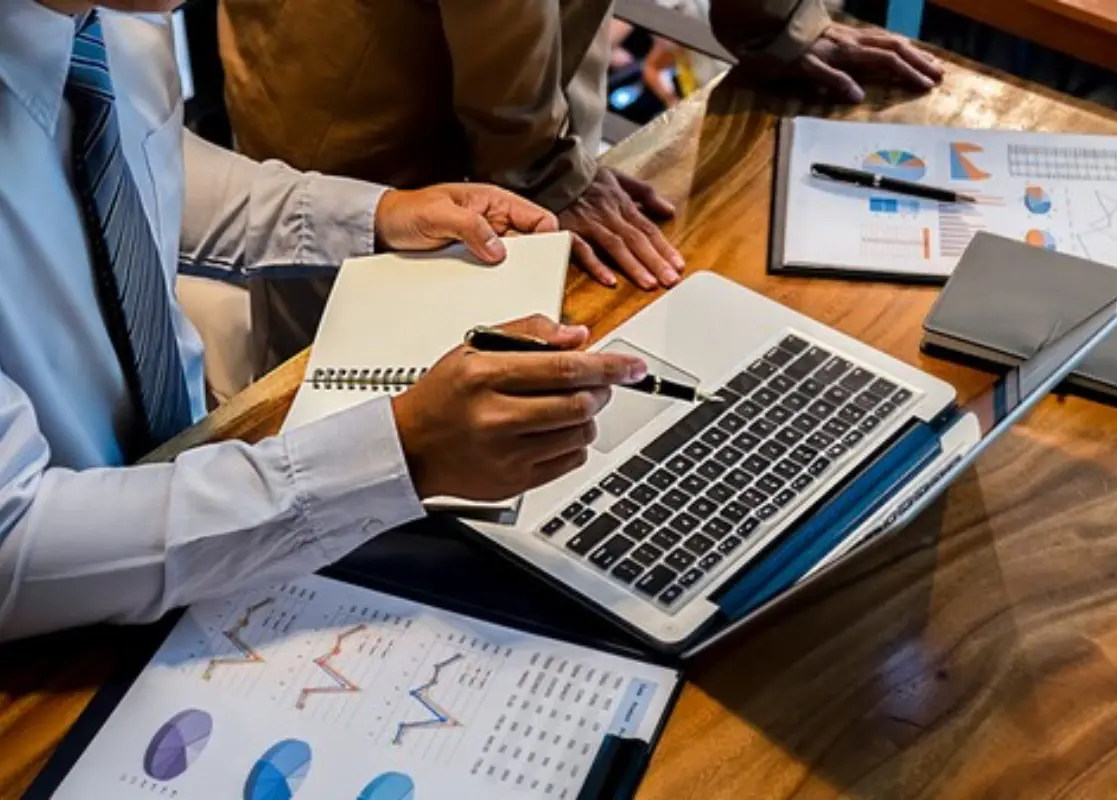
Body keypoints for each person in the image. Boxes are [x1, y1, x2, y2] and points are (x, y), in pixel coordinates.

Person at [0, 0, 648, 641]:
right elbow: (16, 544)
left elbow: (143, 154)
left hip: (196, 486)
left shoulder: (114, 20)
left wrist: (373, 215)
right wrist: (401, 453)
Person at [219, 0, 945, 373]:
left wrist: (773, 19)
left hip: (537, 82)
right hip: (360, 79)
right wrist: (544, 166)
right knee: (340, 360)